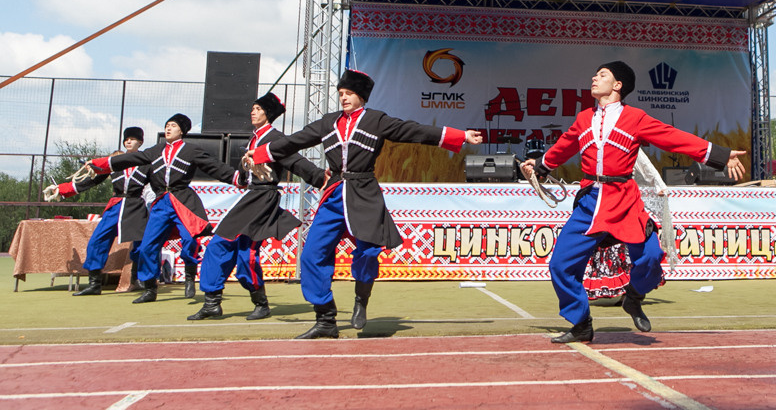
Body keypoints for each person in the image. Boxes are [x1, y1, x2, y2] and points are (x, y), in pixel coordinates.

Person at [245, 69, 482, 339]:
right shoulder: (328, 122)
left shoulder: (375, 120)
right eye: (341, 94)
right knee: (311, 254)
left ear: (361, 96)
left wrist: (460, 136)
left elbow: (413, 130)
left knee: (368, 253)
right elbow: (294, 140)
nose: (344, 98)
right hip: (334, 193)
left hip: (364, 193)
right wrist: (261, 152)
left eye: (349, 94)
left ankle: (361, 299)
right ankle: (325, 318)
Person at [521, 61, 746, 344]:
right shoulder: (583, 119)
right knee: (561, 265)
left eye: (602, 75)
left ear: (617, 86)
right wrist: (540, 165)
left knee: (651, 258)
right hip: (590, 201)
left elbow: (672, 138)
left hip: (625, 200)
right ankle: (580, 323)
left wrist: (720, 155)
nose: (594, 77)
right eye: (595, 74)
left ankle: (634, 296)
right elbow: (564, 146)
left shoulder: (635, 118)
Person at [188, 93, 325, 321]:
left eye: (258, 108)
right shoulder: (253, 140)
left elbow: (297, 162)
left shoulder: (276, 138)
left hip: (264, 199)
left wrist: (321, 178)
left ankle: (260, 303)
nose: (253, 112)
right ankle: (212, 301)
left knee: (247, 254)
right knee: (218, 244)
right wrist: (238, 176)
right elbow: (244, 176)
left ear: (268, 114)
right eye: (252, 108)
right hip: (250, 198)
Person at [87, 113, 243, 303]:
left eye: (173, 126)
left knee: (190, 241)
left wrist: (238, 178)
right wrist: (99, 164)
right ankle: (150, 288)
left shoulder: (191, 150)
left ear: (182, 131)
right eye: (167, 125)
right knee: (147, 246)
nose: (168, 128)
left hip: (183, 200)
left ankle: (189, 274)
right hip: (161, 202)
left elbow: (214, 167)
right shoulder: (155, 150)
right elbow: (130, 159)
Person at [50, 127, 152, 296]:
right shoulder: (113, 163)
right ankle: (94, 284)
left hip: (136, 206)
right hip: (116, 205)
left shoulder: (146, 164)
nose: (128, 141)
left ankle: (140, 280)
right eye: (126, 139)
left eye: (133, 139)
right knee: (97, 241)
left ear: (140, 142)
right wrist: (61, 190)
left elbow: (158, 184)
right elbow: (90, 181)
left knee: (141, 245)